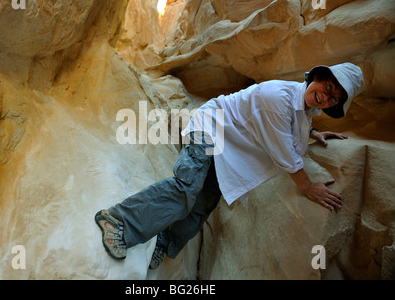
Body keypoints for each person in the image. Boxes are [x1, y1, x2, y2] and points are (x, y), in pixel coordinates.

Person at [95, 62, 364, 269]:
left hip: (231, 148)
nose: (325, 98)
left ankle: (164, 240)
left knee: (203, 204)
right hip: (211, 128)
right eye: (328, 89)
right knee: (187, 188)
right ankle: (119, 221)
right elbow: (286, 157)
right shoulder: (277, 97)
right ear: (317, 78)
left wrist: (313, 133)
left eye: (333, 100)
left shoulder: (303, 107)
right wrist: (308, 187)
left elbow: (296, 123)